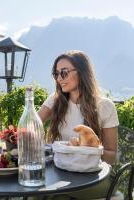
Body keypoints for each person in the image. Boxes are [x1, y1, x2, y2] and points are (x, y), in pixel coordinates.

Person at [38, 50, 119, 200]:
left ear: (81, 72)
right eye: (56, 74)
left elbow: (112, 155)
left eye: (64, 73)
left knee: (44, 193)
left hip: (94, 176)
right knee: (37, 192)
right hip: (60, 171)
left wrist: (90, 151)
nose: (59, 79)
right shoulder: (56, 101)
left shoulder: (105, 106)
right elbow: (32, 124)